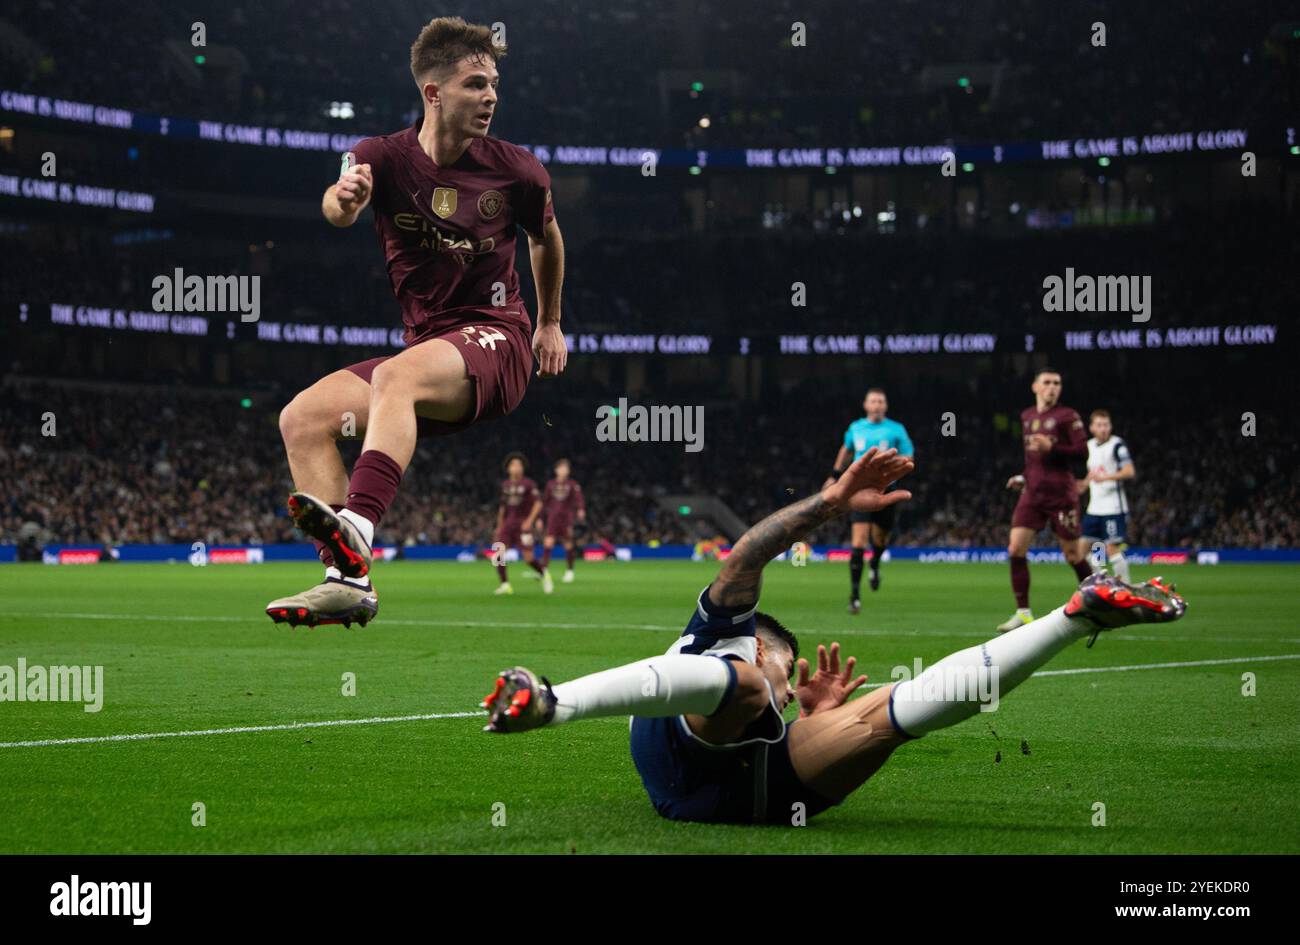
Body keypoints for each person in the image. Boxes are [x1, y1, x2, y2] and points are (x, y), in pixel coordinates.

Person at [481, 448, 1185, 824]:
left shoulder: (770, 705)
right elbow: (745, 555)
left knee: (886, 713)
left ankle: (1075, 616)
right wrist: (830, 504)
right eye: (789, 671)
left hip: (745, 793)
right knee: (751, 688)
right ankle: (552, 701)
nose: (790, 690)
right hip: (680, 748)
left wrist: (810, 715)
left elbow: (781, 705)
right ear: (762, 641)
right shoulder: (728, 640)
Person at [266, 17, 566, 627]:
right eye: (476, 85)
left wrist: (549, 322)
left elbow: (547, 238)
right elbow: (336, 202)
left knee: (396, 378)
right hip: (429, 353)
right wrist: (343, 201)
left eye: (494, 84)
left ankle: (357, 526)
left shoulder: (518, 170)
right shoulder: (381, 157)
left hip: (496, 342)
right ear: (434, 93)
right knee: (301, 418)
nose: (491, 97)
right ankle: (345, 578)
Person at [998, 369, 1092, 633]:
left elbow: (1082, 452)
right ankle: (1023, 613)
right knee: (1016, 549)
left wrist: (1053, 448)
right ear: (1035, 387)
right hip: (1032, 494)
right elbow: (1032, 460)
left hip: (1060, 494)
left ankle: (1097, 603)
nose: (1053, 387)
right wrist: (1022, 476)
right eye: (1048, 383)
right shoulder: (1027, 416)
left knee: (1073, 555)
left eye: (1057, 383)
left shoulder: (1067, 416)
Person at [823, 388, 913, 613]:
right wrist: (834, 475)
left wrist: (893, 465)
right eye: (873, 401)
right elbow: (846, 449)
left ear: (886, 405)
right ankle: (854, 595)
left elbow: (909, 456)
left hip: (885, 491)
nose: (877, 405)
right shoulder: (856, 428)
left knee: (880, 539)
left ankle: (875, 563)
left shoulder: (896, 429)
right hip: (859, 492)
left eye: (881, 401)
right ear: (866, 405)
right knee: (858, 542)